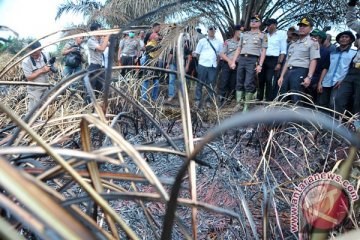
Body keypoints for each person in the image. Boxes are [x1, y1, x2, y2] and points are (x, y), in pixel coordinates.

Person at [278, 17, 320, 104]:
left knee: (296, 97)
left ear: (311, 29)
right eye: (300, 26)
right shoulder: (293, 44)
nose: (302, 28)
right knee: (283, 96)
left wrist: (309, 77)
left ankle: (296, 117)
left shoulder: (313, 43)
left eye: (305, 26)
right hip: (288, 71)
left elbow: (313, 60)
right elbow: (287, 61)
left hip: (300, 71)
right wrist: (282, 76)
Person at [230, 15, 268, 112]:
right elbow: (239, 48)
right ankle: (239, 103)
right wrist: (233, 61)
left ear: (260, 23)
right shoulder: (244, 34)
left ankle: (246, 107)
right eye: (251, 20)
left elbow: (263, 51)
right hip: (242, 59)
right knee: (239, 81)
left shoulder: (263, 35)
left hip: (252, 60)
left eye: (256, 21)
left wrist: (260, 65)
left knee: (248, 83)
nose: (253, 22)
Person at [334, 0, 360, 125]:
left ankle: (357, 131)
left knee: (358, 103)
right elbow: (351, 22)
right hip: (353, 71)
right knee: (340, 99)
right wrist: (351, 6)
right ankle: (344, 128)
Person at [317, 31, 356, 110]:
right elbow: (326, 68)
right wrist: (320, 82)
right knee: (321, 104)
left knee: (334, 105)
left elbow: (351, 70)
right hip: (326, 82)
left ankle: (333, 122)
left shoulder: (353, 53)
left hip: (340, 84)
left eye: (346, 37)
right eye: (342, 37)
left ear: (350, 40)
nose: (344, 38)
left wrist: (343, 80)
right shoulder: (332, 53)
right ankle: (319, 122)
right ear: (338, 39)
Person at [193, 25, 223, 108]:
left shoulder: (219, 42)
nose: (212, 30)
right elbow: (197, 53)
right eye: (210, 29)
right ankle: (197, 100)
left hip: (213, 66)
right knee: (200, 83)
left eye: (214, 29)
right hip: (202, 64)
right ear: (207, 31)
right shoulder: (202, 41)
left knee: (211, 85)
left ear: (215, 31)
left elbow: (219, 55)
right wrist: (200, 62)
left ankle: (208, 101)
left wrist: (216, 64)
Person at [257, 18, 287, 101]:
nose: (267, 27)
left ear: (274, 25)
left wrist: (279, 63)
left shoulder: (281, 35)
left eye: (269, 25)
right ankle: (259, 98)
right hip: (263, 58)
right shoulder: (264, 35)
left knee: (269, 79)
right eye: (266, 25)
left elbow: (283, 51)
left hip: (273, 59)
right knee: (260, 79)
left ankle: (268, 99)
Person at [21, 41, 52, 110]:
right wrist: (42, 70)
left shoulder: (46, 55)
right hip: (34, 89)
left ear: (41, 50)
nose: (36, 57)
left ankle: (42, 120)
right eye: (33, 55)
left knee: (44, 108)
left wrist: (50, 70)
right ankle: (31, 120)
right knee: (33, 110)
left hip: (46, 85)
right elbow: (29, 77)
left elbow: (49, 66)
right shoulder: (26, 61)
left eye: (37, 54)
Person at [218, 25, 241, 105]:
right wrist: (230, 62)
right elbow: (222, 54)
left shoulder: (243, 43)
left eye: (243, 31)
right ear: (235, 32)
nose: (241, 33)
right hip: (226, 64)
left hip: (238, 65)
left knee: (233, 83)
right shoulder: (228, 42)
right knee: (224, 82)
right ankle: (221, 101)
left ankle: (229, 101)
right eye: (240, 31)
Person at [307, 29, 330, 102]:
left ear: (321, 39)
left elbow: (325, 68)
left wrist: (319, 82)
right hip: (302, 77)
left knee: (310, 103)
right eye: (311, 36)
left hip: (315, 80)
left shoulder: (326, 52)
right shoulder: (306, 48)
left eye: (315, 37)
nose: (312, 38)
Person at [87, 22, 109, 93]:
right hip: (93, 67)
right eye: (100, 29)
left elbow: (108, 44)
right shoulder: (90, 41)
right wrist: (107, 36)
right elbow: (102, 48)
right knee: (91, 89)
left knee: (100, 89)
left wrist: (105, 37)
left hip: (100, 67)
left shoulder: (100, 39)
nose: (102, 31)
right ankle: (89, 103)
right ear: (94, 31)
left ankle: (98, 103)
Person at [141, 32, 162, 101]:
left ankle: (154, 98)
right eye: (156, 36)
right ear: (153, 38)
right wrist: (161, 45)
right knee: (146, 80)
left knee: (156, 81)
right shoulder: (149, 44)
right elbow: (152, 49)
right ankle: (144, 98)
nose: (157, 37)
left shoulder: (157, 44)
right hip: (149, 62)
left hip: (155, 63)